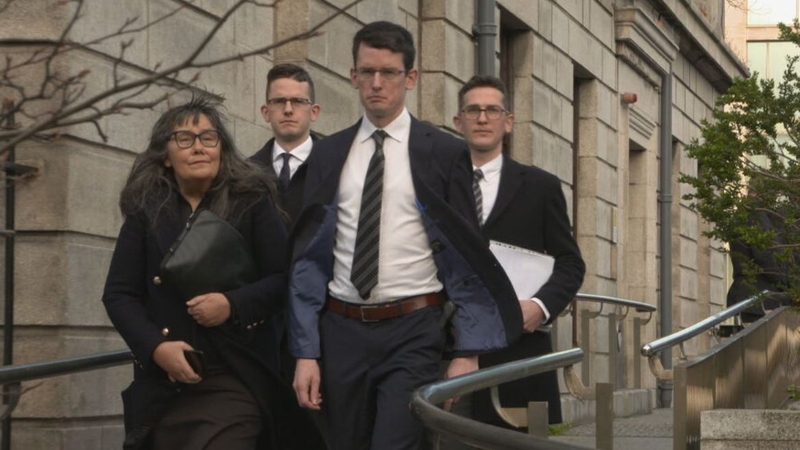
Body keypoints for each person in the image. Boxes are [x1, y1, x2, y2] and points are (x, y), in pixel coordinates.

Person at [288, 22, 523, 450]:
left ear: (410, 78)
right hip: (340, 331)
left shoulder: (445, 153)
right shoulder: (328, 154)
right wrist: (305, 351)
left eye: (390, 72)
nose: (377, 84)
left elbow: (468, 254)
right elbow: (308, 259)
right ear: (353, 75)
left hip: (414, 331)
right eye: (367, 71)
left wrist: (467, 350)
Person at [102, 96, 325, 450]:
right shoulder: (146, 209)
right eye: (185, 139)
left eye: (209, 138)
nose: (199, 148)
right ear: (165, 155)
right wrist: (156, 348)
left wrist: (233, 305)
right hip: (165, 387)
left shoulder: (250, 200)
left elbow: (285, 278)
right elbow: (118, 294)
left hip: (235, 375)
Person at [452, 75, 585, 433]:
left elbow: (570, 263)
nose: (483, 118)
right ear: (458, 121)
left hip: (518, 347)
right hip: (446, 347)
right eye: (473, 110)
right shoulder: (437, 184)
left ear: (508, 122)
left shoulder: (540, 187)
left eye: (492, 110)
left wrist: (539, 307)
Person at [251, 63, 321, 226]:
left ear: (314, 111)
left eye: (298, 101)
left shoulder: (336, 167)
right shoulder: (247, 173)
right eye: (279, 101)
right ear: (266, 112)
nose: (288, 109)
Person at [727, 201, 793, 323]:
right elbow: (765, 256)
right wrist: (787, 287)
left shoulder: (747, 213)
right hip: (762, 301)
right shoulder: (756, 214)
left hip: (753, 298)